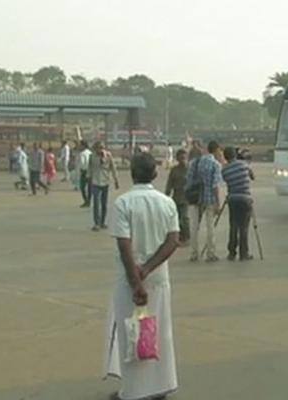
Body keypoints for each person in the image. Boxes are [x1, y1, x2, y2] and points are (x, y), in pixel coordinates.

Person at [104, 152, 180, 400]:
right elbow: (173, 241)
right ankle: (160, 386)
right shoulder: (167, 203)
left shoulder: (123, 203)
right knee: (160, 332)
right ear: (156, 174)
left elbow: (124, 246)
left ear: (132, 173)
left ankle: (134, 391)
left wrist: (136, 281)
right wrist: (148, 269)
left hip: (129, 280)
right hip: (158, 278)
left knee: (130, 332)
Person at [188, 141, 223, 262]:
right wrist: (218, 204)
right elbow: (215, 186)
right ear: (216, 150)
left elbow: (189, 182)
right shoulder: (215, 165)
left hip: (195, 199)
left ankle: (194, 253)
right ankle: (210, 253)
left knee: (194, 227)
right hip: (209, 200)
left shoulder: (194, 163)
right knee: (210, 227)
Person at [221, 146, 256, 261]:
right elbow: (252, 177)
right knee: (244, 227)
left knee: (233, 226)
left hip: (232, 199)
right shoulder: (243, 164)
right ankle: (243, 253)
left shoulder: (224, 170)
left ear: (225, 157)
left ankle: (231, 253)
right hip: (245, 198)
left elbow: (226, 181)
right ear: (235, 155)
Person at [88, 141, 119, 232]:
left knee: (104, 203)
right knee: (96, 203)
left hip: (105, 181)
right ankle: (96, 223)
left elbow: (113, 168)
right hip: (95, 182)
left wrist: (116, 180)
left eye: (102, 147)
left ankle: (102, 222)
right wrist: (88, 178)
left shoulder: (108, 155)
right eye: (99, 148)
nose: (100, 150)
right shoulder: (92, 156)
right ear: (95, 148)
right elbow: (89, 168)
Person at [165, 149, 190, 246]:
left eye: (184, 158)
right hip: (176, 197)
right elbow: (169, 183)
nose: (183, 160)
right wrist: (166, 196)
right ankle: (180, 237)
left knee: (184, 218)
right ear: (177, 159)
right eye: (181, 158)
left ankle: (187, 237)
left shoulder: (190, 169)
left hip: (186, 198)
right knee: (177, 219)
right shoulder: (174, 170)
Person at [78, 141, 92, 208]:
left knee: (82, 187)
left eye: (80, 145)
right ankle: (89, 201)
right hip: (90, 171)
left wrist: (81, 170)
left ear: (83, 146)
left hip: (84, 171)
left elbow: (82, 163)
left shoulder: (82, 154)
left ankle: (86, 201)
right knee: (89, 188)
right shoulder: (90, 152)